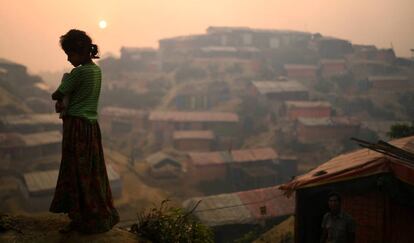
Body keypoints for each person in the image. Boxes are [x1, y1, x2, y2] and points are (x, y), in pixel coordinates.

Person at [50, 29, 120, 234]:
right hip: (91, 127)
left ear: (79, 52)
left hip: (75, 127)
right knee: (92, 171)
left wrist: (64, 84)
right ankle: (97, 215)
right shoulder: (97, 71)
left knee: (76, 171)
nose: (69, 59)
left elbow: (57, 94)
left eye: (69, 54)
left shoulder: (78, 72)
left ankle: (81, 218)